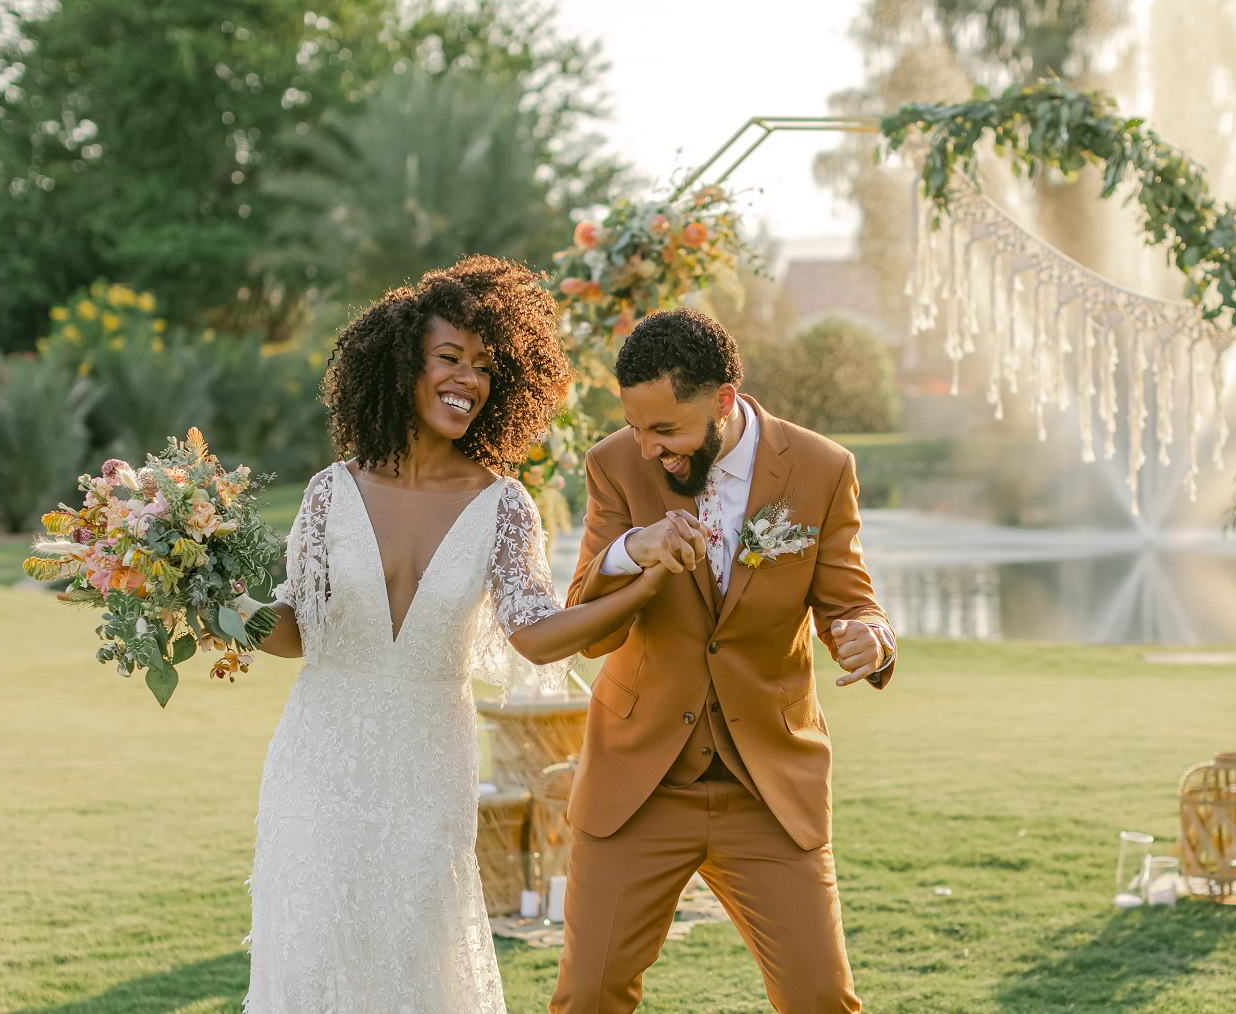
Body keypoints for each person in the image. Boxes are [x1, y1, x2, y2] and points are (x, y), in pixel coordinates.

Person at [241, 256, 704, 1014]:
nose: (469, 380)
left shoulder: (504, 504)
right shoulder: (331, 492)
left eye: (486, 367)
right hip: (317, 758)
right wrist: (220, 605)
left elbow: (538, 633)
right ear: (401, 367)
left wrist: (647, 585)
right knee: (315, 945)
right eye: (450, 359)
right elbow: (297, 631)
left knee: (416, 946)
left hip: (429, 760)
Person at [552, 307, 898, 1013]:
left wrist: (870, 636)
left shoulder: (823, 469)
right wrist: (630, 552)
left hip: (767, 786)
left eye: (666, 430)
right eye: (637, 427)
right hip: (640, 782)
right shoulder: (614, 464)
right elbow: (587, 624)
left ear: (724, 403)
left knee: (821, 999)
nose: (648, 448)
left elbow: (849, 603)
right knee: (587, 997)